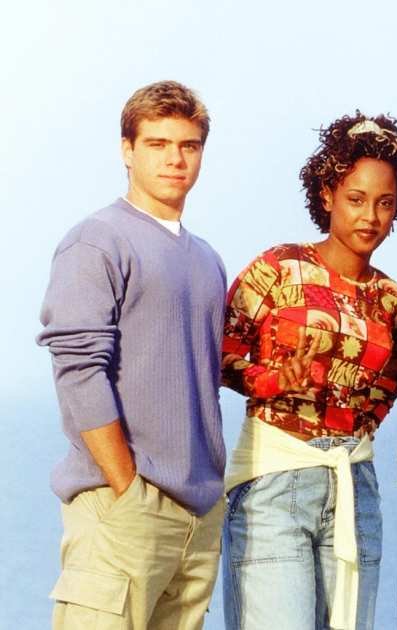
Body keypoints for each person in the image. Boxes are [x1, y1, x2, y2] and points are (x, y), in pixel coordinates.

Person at [38, 80, 227, 629]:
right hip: (123, 508)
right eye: (157, 144)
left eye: (188, 145)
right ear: (127, 149)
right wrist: (126, 487)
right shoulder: (98, 240)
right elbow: (78, 369)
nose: (175, 159)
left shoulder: (207, 259)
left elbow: (198, 371)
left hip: (196, 519)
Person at [220, 112, 397, 630]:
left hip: (354, 485)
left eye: (385, 203)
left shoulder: (392, 299)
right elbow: (219, 354)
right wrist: (272, 381)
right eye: (356, 198)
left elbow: (389, 383)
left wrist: (354, 429)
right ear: (327, 195)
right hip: (274, 478)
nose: (370, 216)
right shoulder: (278, 268)